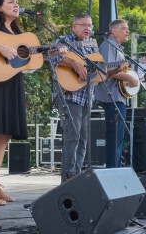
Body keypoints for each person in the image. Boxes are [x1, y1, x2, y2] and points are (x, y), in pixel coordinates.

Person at [0, 0, 65, 206]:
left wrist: (50, 52)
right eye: (11, 2)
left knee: (4, 135)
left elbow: (29, 60)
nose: (16, 5)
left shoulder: (18, 32)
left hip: (11, 83)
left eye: (17, 2)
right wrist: (1, 47)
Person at [50, 14, 126, 183]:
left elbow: (100, 75)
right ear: (74, 26)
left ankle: (75, 175)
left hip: (86, 97)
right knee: (73, 135)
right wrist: (73, 63)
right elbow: (53, 57)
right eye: (83, 24)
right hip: (69, 94)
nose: (87, 28)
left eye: (90, 25)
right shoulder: (63, 41)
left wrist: (115, 70)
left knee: (83, 138)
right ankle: (67, 177)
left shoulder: (92, 45)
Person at [94, 19, 138, 168]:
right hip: (110, 97)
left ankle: (115, 170)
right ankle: (113, 172)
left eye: (128, 28)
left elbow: (119, 70)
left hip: (118, 97)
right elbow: (105, 70)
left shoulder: (119, 48)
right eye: (124, 28)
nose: (128, 31)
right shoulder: (109, 45)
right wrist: (128, 77)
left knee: (118, 139)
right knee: (115, 139)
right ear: (114, 31)